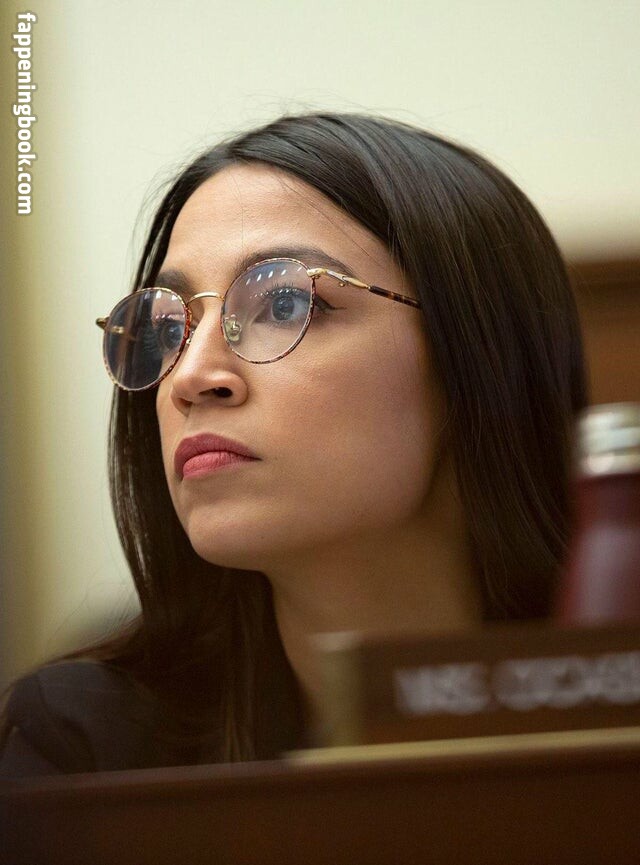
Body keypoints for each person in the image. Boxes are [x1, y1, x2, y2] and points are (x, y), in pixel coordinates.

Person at [0, 112, 588, 777]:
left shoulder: (613, 704)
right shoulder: (87, 749)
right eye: (169, 330)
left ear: (478, 358)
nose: (190, 377)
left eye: (283, 304)